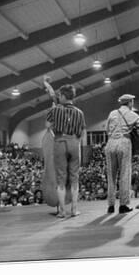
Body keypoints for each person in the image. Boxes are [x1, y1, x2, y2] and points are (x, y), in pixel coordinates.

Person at [45, 84, 86, 218]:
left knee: (61, 178)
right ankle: (74, 210)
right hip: (74, 142)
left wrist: (53, 113)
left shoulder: (55, 110)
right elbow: (82, 131)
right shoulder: (80, 112)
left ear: (62, 96)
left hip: (60, 141)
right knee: (75, 178)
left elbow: (47, 126)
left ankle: (62, 211)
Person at [104, 94, 139, 214]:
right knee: (124, 174)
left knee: (111, 176)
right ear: (130, 103)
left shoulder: (112, 113)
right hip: (124, 142)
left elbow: (107, 129)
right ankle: (123, 205)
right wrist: (133, 132)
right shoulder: (133, 115)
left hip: (111, 142)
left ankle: (111, 205)